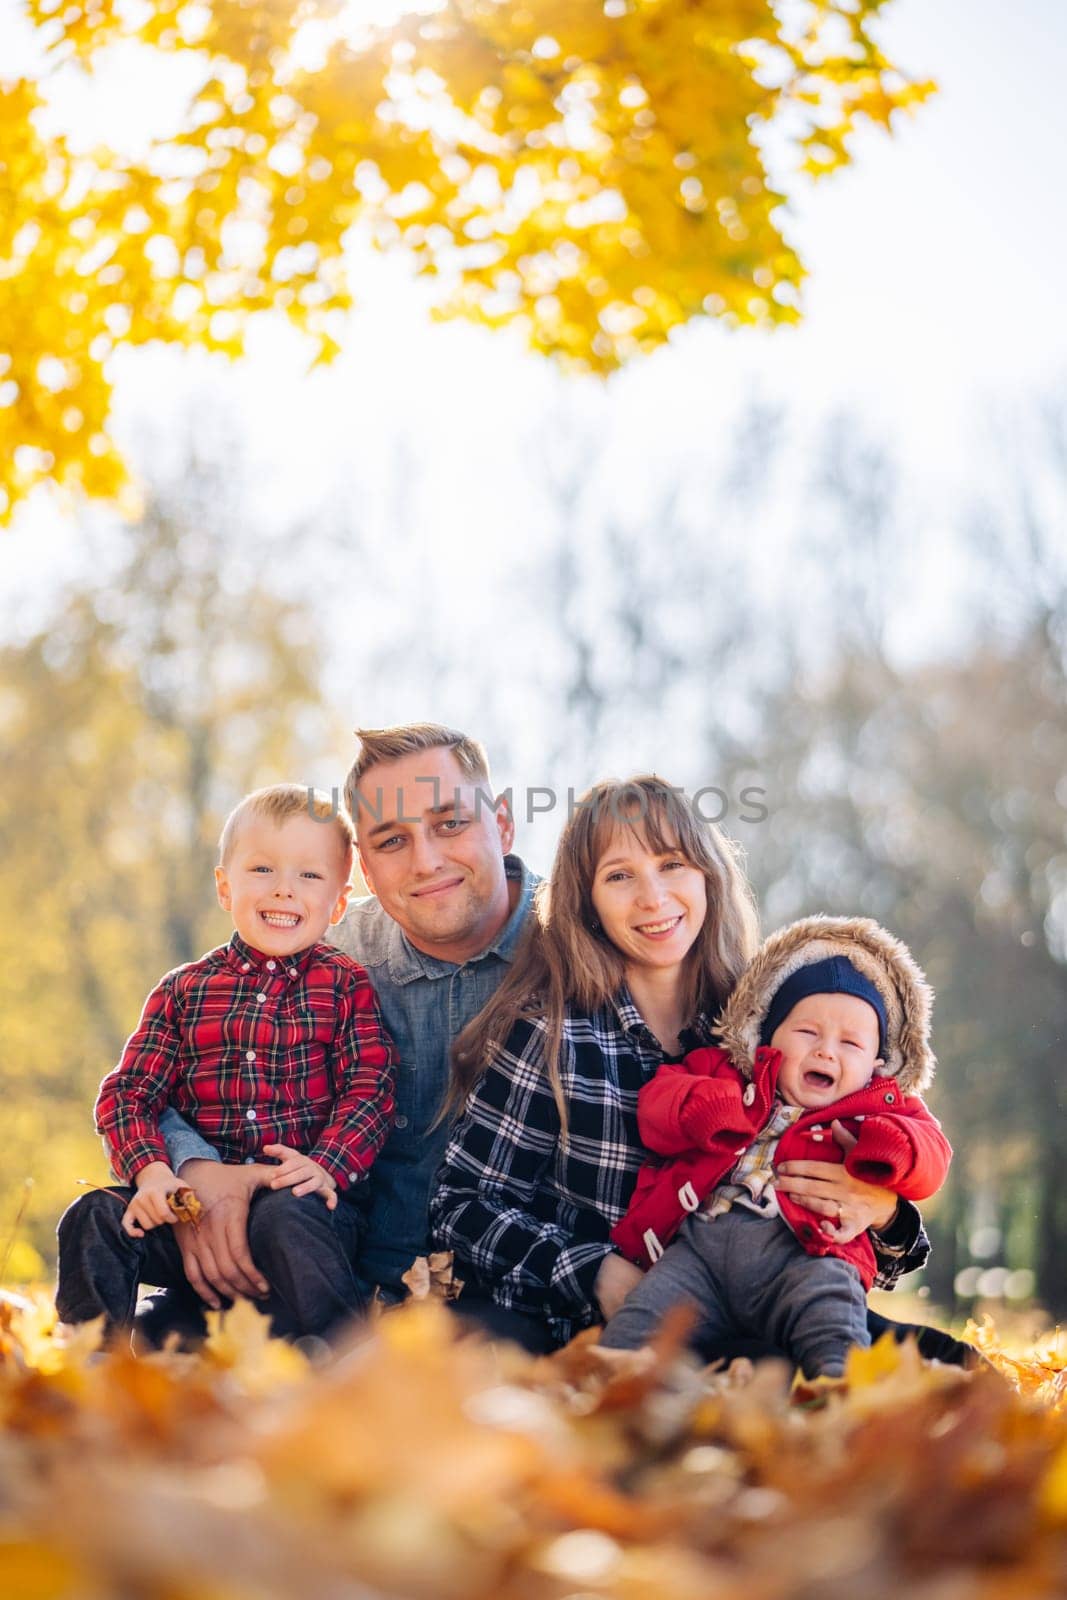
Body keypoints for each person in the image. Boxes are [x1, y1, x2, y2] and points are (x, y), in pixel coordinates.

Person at [430, 778, 961, 1360]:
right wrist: (593, 1273)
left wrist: (884, 1213)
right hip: (587, 1318)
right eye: (619, 875)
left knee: (946, 1368)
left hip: (758, 1301)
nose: (653, 898)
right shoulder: (553, 1033)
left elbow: (875, 1225)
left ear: (708, 874)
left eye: (672, 864)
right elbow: (461, 1206)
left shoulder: (769, 1029)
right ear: (587, 903)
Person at [147, 725, 537, 1328]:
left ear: (503, 823)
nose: (426, 860)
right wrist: (200, 1177)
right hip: (332, 1279)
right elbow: (184, 1066)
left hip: (509, 1299)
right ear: (361, 866)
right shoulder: (323, 952)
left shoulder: (577, 944)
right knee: (157, 1358)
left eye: (450, 823)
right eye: (391, 840)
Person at [55, 785, 397, 1343]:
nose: (284, 888)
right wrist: (153, 1173)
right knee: (92, 1215)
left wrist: (327, 1166)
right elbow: (129, 1093)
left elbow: (371, 1086)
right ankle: (95, 1362)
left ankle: (337, 1355)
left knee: (289, 1219)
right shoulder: (184, 990)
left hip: (300, 1205)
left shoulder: (344, 985)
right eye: (262, 868)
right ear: (224, 886)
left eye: (310, 876)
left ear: (339, 901)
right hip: (189, 1207)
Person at [601, 918, 952, 1375]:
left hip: (811, 1258)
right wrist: (700, 1107)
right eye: (808, 1032)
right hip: (698, 1255)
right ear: (768, 1038)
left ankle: (836, 1409)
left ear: (876, 1066)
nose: (827, 1051)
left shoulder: (881, 1110)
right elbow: (656, 1104)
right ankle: (605, 1403)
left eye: (850, 1043)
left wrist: (892, 1148)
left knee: (834, 1338)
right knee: (634, 1341)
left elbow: (933, 1156)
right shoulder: (727, 1074)